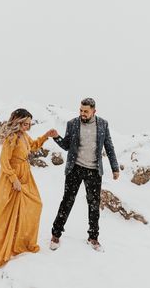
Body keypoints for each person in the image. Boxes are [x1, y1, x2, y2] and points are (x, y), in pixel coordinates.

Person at [0, 108, 56, 270]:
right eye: (24, 124)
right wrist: (13, 179)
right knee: (5, 213)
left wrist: (46, 136)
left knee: (34, 204)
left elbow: (32, 146)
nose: (27, 127)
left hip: (25, 174)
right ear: (17, 122)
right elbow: (4, 160)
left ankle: (20, 242)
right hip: (12, 177)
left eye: (29, 124)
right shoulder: (11, 137)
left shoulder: (24, 136)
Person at [50, 98, 119, 251]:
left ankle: (93, 238)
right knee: (67, 201)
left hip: (94, 171)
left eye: (86, 111)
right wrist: (56, 137)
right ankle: (56, 234)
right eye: (81, 110)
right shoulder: (72, 124)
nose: (82, 113)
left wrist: (115, 168)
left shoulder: (102, 124)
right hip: (75, 169)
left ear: (94, 111)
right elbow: (67, 146)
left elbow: (109, 146)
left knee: (94, 205)